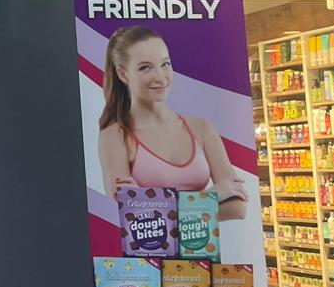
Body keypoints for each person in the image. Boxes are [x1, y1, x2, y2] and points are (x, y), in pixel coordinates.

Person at [97, 25, 248, 220]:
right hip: (160, 243)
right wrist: (214, 195)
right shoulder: (115, 136)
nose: (160, 77)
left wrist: (150, 202)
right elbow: (128, 215)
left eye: (165, 64)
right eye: (145, 68)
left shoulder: (202, 129)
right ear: (123, 74)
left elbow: (237, 207)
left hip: (206, 242)